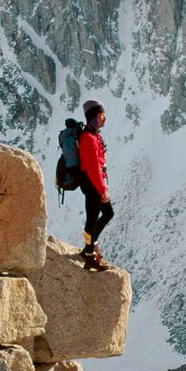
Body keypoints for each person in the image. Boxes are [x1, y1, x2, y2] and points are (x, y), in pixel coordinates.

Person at [78, 99, 114, 271]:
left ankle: (89, 247)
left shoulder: (92, 135)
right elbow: (93, 169)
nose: (104, 118)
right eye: (101, 115)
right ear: (94, 117)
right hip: (92, 185)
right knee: (94, 219)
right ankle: (90, 255)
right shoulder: (89, 138)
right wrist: (102, 190)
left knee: (104, 214)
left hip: (92, 184)